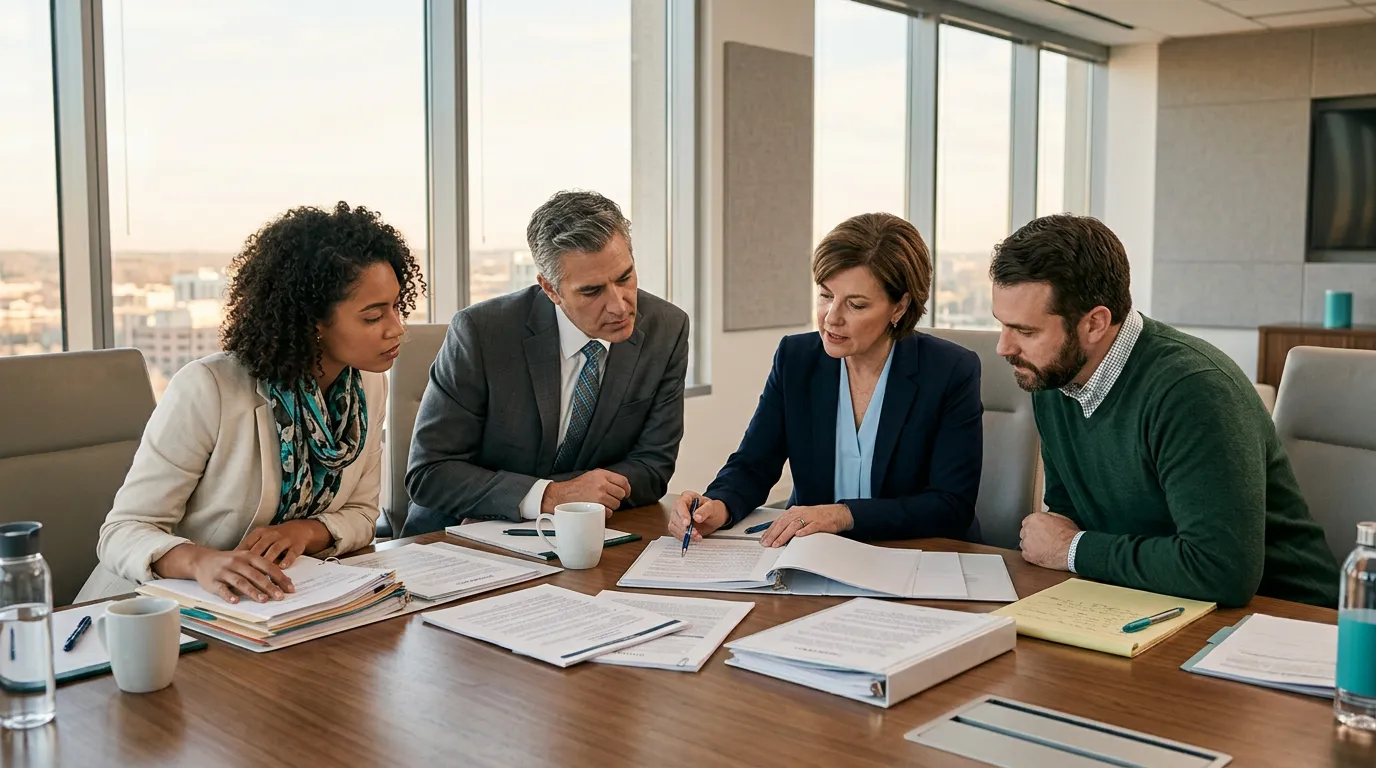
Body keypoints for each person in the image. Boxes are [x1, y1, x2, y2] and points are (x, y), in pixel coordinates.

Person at [77, 202, 422, 604]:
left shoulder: (366, 388)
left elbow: (363, 513)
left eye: (397, 307)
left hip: (277, 608)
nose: (397, 328)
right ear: (312, 320)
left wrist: (304, 532)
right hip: (150, 613)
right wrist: (201, 561)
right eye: (372, 316)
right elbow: (122, 532)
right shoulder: (208, 389)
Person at [990, 214, 1339, 608]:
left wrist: (1072, 550)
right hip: (1154, 603)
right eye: (1002, 325)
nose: (1004, 347)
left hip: (1287, 619)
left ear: (1094, 324)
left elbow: (1221, 571)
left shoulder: (1194, 391)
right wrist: (1071, 545)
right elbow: (1069, 518)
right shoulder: (1053, 376)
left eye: (1025, 331)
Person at [669, 213, 983, 548]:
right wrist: (719, 505)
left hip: (918, 556)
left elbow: (951, 506)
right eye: (825, 295)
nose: (832, 318)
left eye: (856, 304)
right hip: (814, 557)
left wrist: (841, 515)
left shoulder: (950, 370)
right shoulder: (796, 358)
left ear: (900, 306)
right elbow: (754, 464)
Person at [402, 190, 689, 535]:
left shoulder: (666, 329)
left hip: (584, 538)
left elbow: (652, 467)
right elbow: (429, 472)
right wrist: (549, 496)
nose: (619, 306)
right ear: (550, 289)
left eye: (625, 278)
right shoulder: (482, 333)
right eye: (592, 291)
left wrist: (542, 501)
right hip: (455, 540)